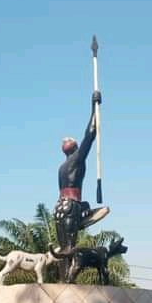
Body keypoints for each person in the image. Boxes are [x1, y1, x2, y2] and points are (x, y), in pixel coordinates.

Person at [53, 91, 109, 254]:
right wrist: (94, 106)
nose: (65, 140)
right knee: (68, 250)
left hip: (59, 208)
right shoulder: (77, 159)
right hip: (70, 206)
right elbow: (91, 133)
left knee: (64, 250)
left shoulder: (61, 168)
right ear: (77, 148)